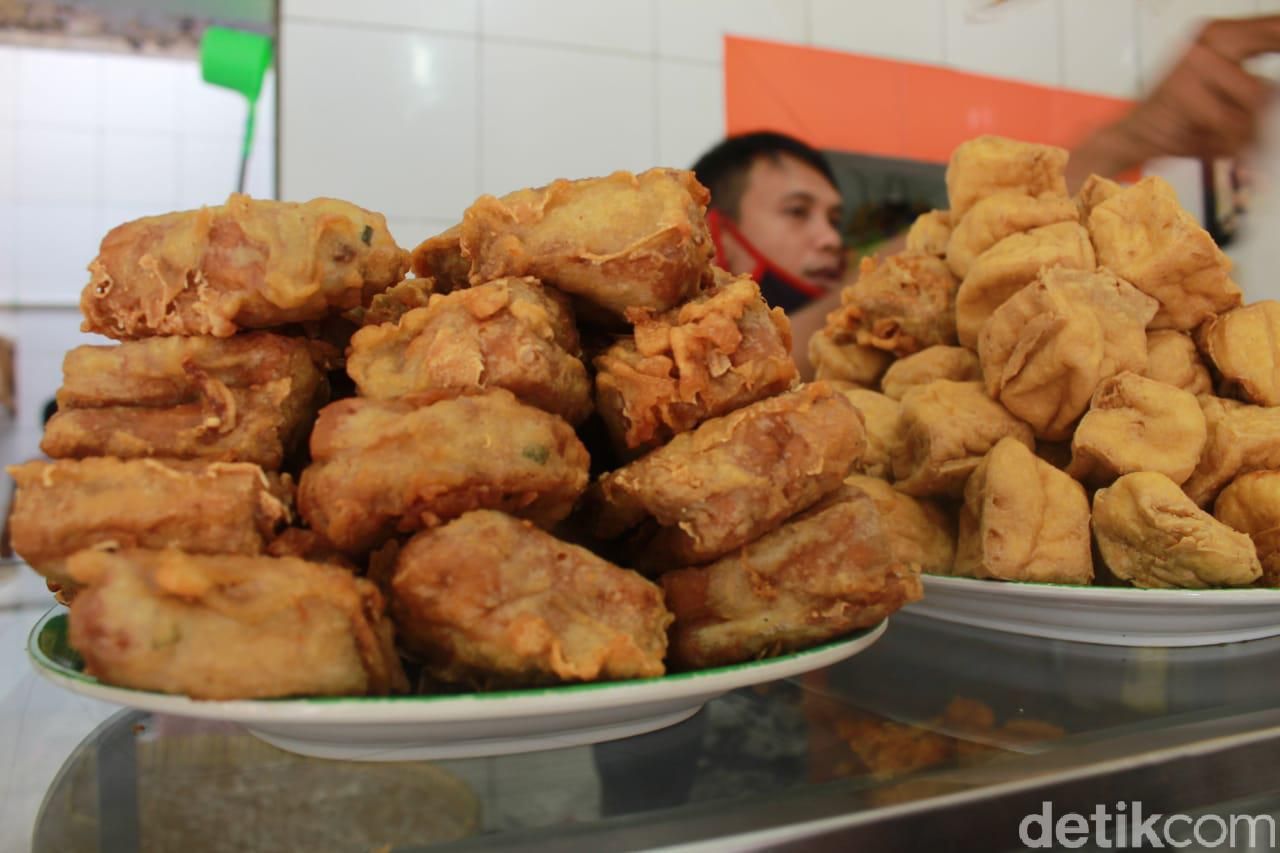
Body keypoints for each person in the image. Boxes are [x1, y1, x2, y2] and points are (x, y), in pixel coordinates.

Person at [698, 15, 1280, 373]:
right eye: (797, 212)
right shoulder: (671, 359)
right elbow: (788, 349)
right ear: (717, 231)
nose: (828, 235)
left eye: (834, 215)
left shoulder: (880, 357)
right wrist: (1126, 140)